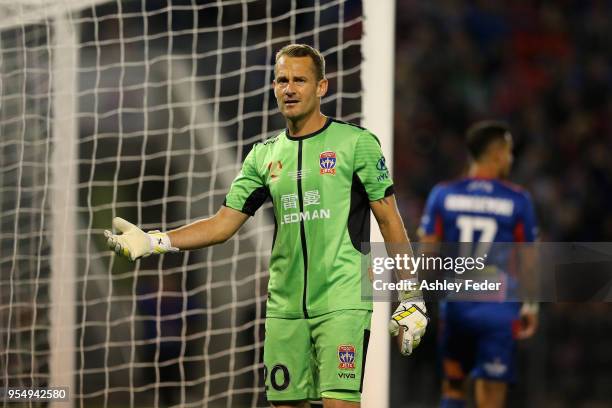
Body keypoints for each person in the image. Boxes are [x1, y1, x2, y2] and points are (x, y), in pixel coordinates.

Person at [105, 44, 428, 408]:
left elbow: (389, 221)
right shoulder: (263, 156)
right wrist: (154, 241)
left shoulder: (356, 144)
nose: (289, 88)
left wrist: (411, 296)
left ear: (322, 87)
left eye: (299, 80)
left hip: (343, 303)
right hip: (284, 309)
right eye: (282, 80)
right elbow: (221, 225)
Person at [418, 120, 539, 408]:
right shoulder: (518, 200)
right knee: (490, 394)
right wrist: (531, 306)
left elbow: (427, 257)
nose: (510, 159)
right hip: (498, 308)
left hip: (456, 305)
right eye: (509, 152)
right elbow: (530, 261)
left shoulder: (443, 194)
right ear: (498, 154)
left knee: (453, 387)